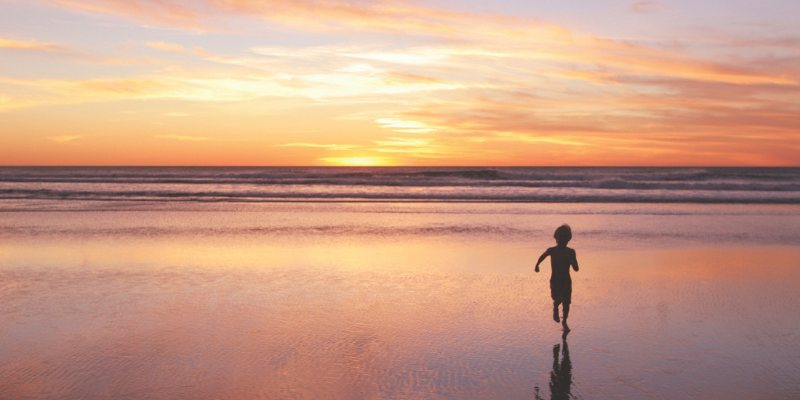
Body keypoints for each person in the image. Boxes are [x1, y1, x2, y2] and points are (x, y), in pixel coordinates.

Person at [535, 224, 579, 332]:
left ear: (569, 238)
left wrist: (572, 262)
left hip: (566, 281)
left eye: (565, 236)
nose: (563, 239)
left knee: (566, 303)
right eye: (560, 236)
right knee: (558, 298)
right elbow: (543, 256)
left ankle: (564, 321)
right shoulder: (552, 250)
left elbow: (576, 268)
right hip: (555, 280)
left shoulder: (571, 252)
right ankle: (555, 308)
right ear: (556, 238)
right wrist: (537, 265)